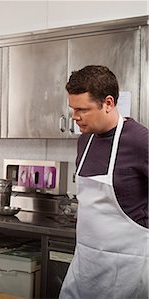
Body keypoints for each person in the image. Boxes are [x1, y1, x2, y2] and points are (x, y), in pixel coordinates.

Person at [60, 65, 148, 298]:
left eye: (82, 109)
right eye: (72, 109)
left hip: (128, 270)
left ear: (108, 103)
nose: (74, 117)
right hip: (86, 265)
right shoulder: (85, 140)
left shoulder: (141, 142)